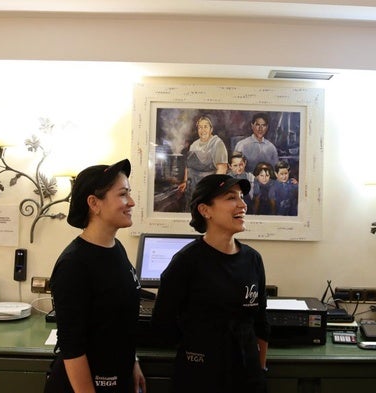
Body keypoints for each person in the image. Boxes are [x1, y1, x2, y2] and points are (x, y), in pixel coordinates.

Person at [152, 174, 270, 393]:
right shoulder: (186, 262)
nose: (243, 205)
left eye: (242, 197)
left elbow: (261, 324)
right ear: (205, 210)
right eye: (230, 198)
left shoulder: (253, 259)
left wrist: (260, 368)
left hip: (248, 376)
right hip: (200, 377)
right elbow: (163, 325)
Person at [44, 159, 147, 393]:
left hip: (118, 377)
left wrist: (133, 361)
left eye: (129, 194)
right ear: (94, 203)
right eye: (122, 194)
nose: (131, 202)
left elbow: (119, 323)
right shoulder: (74, 264)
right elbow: (72, 347)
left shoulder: (117, 249)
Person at [178, 115, 228, 209]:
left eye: (205, 127)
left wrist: (212, 190)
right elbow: (189, 166)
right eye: (200, 127)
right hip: (192, 189)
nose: (203, 130)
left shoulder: (217, 144)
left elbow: (222, 169)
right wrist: (185, 181)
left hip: (207, 190)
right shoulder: (194, 145)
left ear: (211, 129)